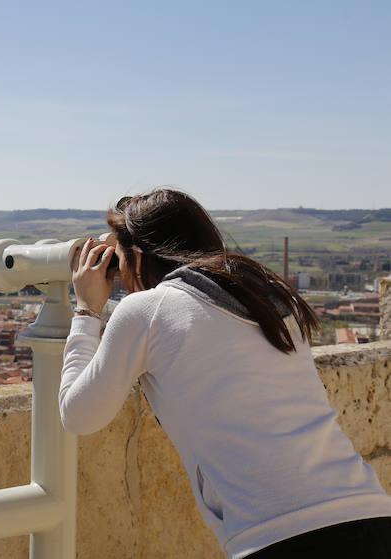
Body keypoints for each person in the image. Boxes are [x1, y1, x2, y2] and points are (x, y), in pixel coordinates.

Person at [59, 189, 391, 558]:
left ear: (136, 259)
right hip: (371, 514)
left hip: (277, 534)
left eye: (118, 263)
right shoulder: (269, 295)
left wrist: (87, 310)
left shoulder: (146, 311)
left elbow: (79, 415)